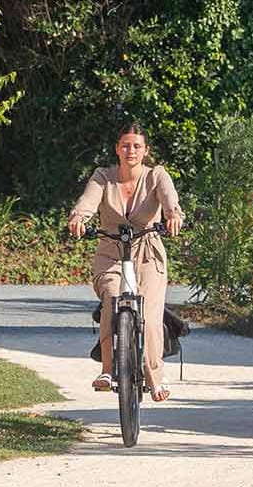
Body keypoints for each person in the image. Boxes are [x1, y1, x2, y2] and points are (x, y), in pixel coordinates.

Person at [67, 124, 184, 400]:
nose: (131, 150)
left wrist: (173, 216)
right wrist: (78, 217)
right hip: (111, 253)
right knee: (112, 299)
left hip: (148, 255)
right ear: (117, 149)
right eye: (125, 145)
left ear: (145, 151)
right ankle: (107, 370)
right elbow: (87, 201)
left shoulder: (156, 176)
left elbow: (170, 200)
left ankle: (155, 379)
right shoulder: (103, 177)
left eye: (136, 146)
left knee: (150, 316)